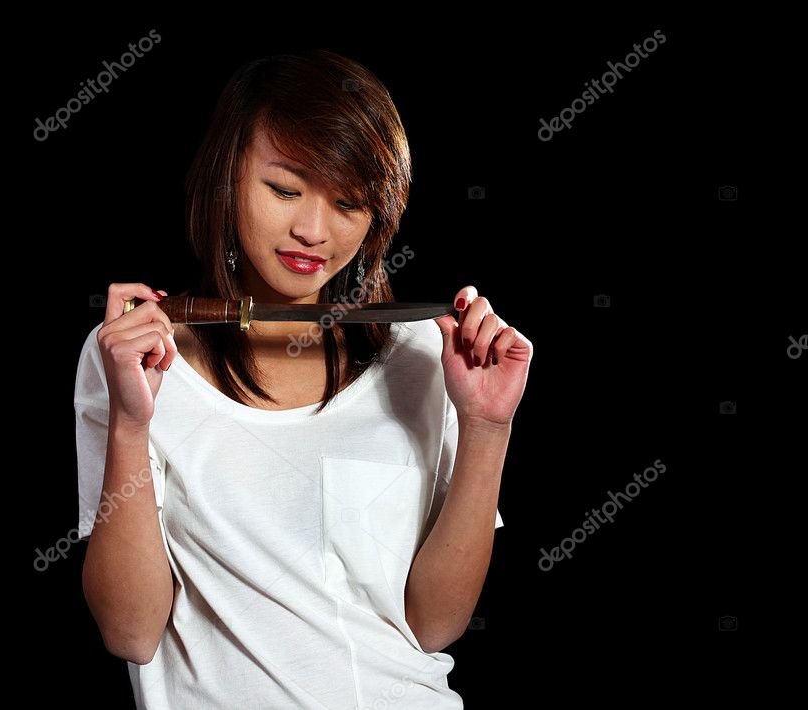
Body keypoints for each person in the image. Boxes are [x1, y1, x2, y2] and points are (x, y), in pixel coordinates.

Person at [74, 49, 533, 709]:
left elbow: (433, 625)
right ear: (223, 176)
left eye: (348, 202)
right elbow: (130, 632)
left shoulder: (426, 355)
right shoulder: (130, 354)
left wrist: (488, 426)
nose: (312, 231)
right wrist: (130, 421)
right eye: (284, 188)